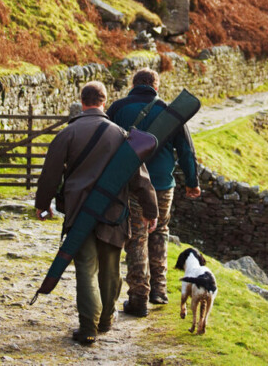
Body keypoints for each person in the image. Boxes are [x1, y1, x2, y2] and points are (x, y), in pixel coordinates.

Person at [35, 81, 158, 344]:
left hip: (79, 212)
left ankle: (88, 326)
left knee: (85, 268)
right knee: (111, 269)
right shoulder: (122, 135)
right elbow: (141, 179)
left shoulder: (67, 134)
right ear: (104, 102)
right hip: (114, 212)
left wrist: (42, 204)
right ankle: (105, 320)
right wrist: (151, 210)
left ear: (82, 102)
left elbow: (50, 174)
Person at [107, 68, 201, 316]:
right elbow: (186, 151)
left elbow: (105, 142)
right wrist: (192, 182)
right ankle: (159, 290)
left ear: (133, 84)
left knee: (137, 236)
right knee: (160, 232)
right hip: (162, 185)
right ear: (156, 86)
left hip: (131, 183)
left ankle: (139, 296)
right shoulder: (170, 112)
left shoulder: (117, 109)